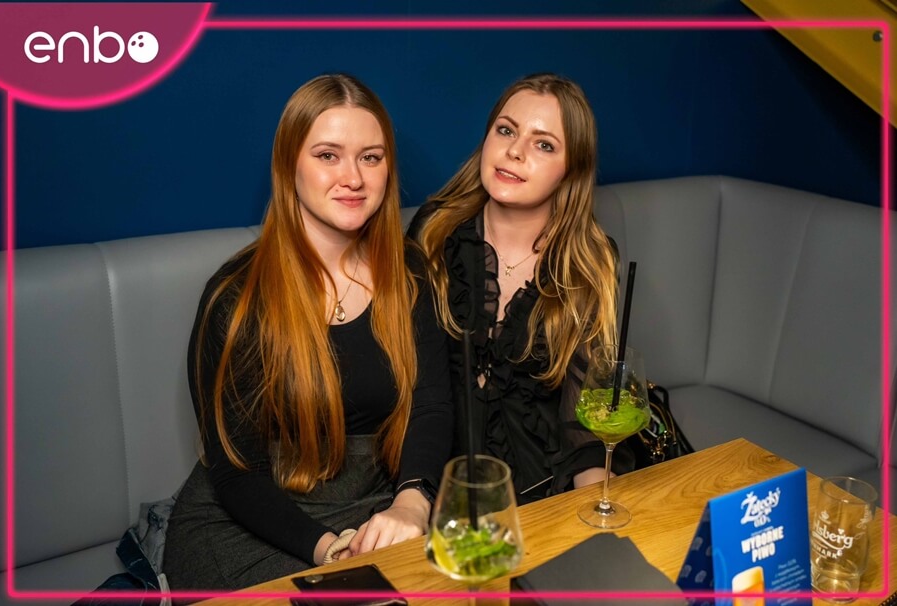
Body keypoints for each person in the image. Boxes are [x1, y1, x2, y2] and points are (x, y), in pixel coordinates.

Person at [163, 74, 452, 591]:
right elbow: (235, 472)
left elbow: (430, 405)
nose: (353, 178)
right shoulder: (235, 299)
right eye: (327, 156)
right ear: (288, 165)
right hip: (252, 529)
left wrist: (412, 503)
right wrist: (330, 550)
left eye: (370, 157)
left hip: (373, 509)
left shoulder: (409, 273)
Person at [408, 73, 633, 504]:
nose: (515, 151)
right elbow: (405, 381)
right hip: (436, 480)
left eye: (544, 144)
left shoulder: (588, 261)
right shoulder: (434, 233)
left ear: (571, 170)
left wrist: (594, 508)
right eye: (506, 130)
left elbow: (583, 423)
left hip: (540, 487)